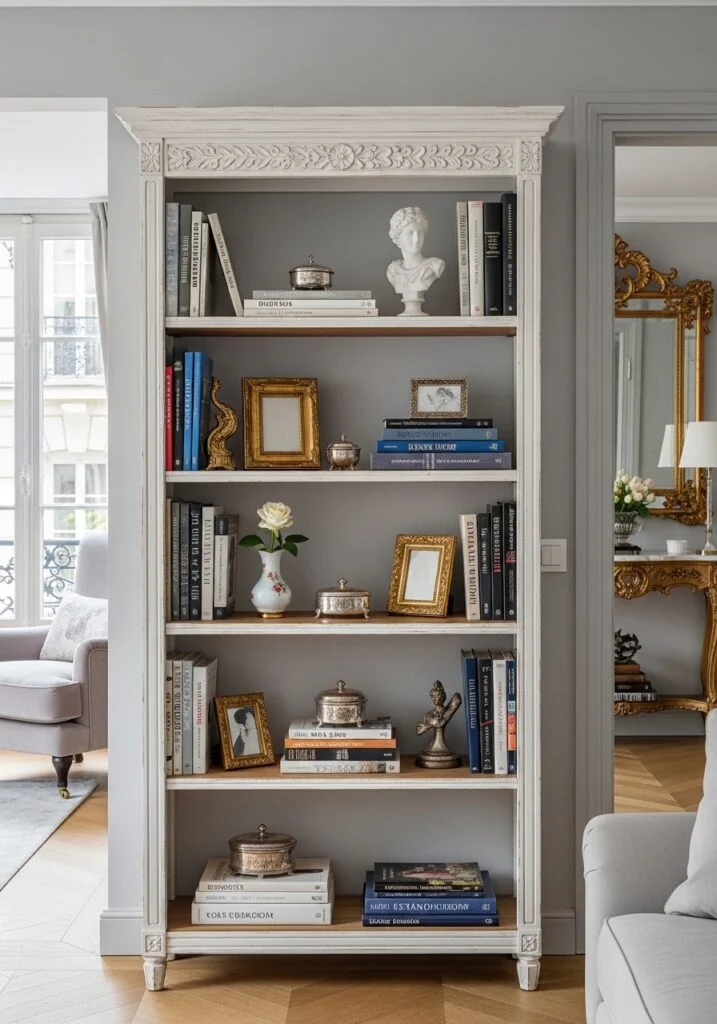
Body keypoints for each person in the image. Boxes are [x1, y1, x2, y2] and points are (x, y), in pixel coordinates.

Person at [386, 206, 445, 313]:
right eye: (410, 233)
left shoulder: (435, 266)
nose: (416, 239)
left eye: (420, 233)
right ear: (397, 237)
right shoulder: (393, 271)